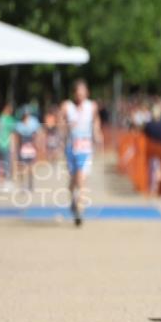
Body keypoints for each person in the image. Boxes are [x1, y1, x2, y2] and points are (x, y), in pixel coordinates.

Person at [61, 79, 102, 226]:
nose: (80, 96)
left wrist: (97, 134)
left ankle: (79, 210)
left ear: (87, 93)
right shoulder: (67, 106)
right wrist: (65, 128)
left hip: (85, 148)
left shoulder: (92, 106)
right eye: (78, 93)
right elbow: (60, 124)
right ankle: (73, 200)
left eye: (82, 93)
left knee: (82, 179)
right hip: (71, 148)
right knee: (73, 180)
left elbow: (96, 121)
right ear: (74, 94)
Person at [14, 106, 41, 191]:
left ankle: (30, 184)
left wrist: (37, 146)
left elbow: (37, 135)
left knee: (31, 167)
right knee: (22, 167)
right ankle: (23, 184)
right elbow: (17, 138)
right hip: (22, 148)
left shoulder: (33, 122)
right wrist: (16, 149)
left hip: (31, 147)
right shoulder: (19, 125)